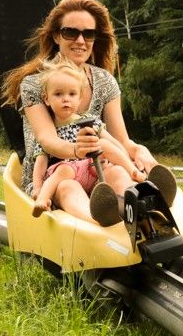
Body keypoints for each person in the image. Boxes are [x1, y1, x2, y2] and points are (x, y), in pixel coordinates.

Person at [1, 0, 177, 224]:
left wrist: (137, 150)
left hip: (95, 170)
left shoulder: (104, 82)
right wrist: (78, 150)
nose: (81, 40)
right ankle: (99, 220)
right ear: (56, 36)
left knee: (117, 173)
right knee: (68, 186)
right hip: (52, 176)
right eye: (70, 32)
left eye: (89, 34)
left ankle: (142, 209)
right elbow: (47, 140)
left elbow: (120, 140)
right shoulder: (35, 84)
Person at [31, 58, 145, 224]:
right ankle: (94, 219)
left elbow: (112, 143)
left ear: (79, 99)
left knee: (112, 161)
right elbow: (40, 163)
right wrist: (38, 187)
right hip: (68, 176)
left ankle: (129, 202)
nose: (65, 99)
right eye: (58, 94)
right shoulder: (48, 133)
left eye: (72, 94)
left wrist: (125, 159)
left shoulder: (90, 122)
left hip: (94, 172)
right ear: (46, 99)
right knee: (65, 177)